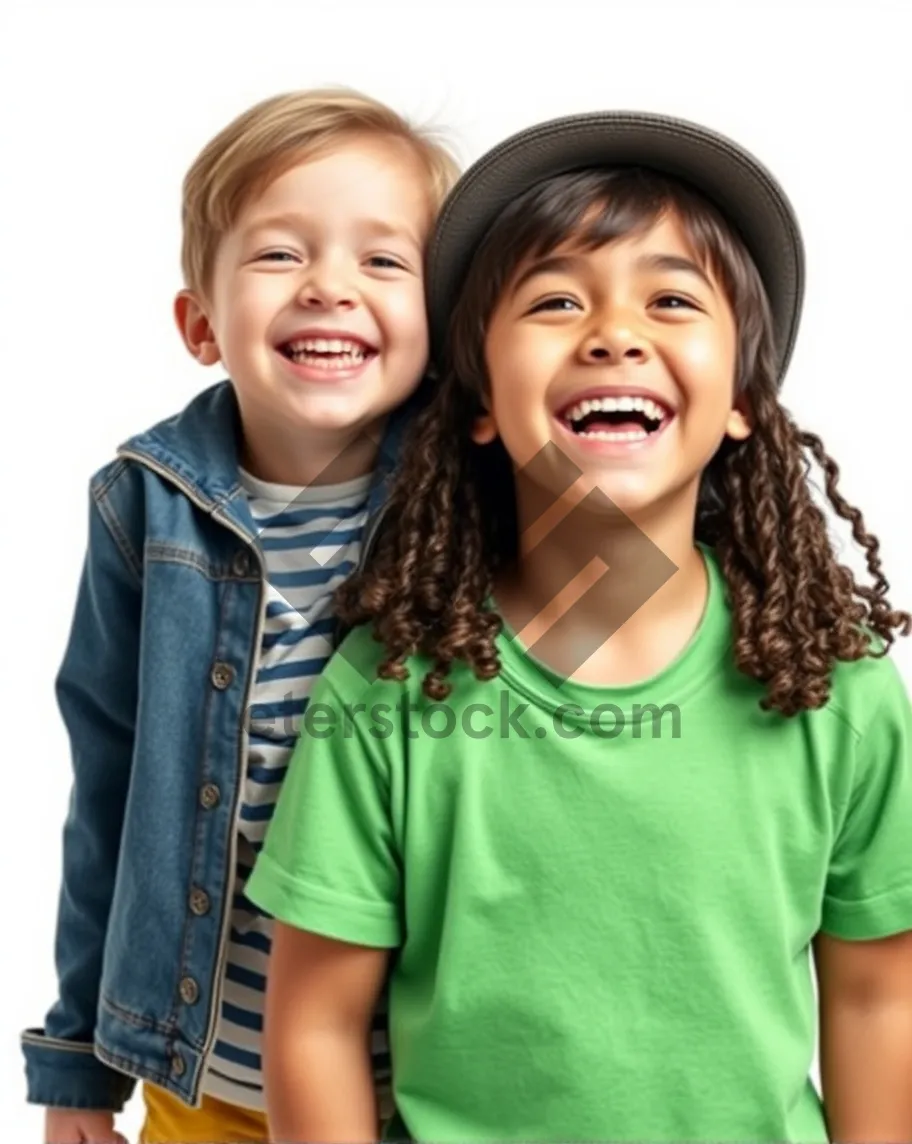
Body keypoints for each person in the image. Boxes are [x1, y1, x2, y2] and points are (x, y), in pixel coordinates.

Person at [246, 110, 912, 1143]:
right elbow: (315, 1027)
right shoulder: (387, 690)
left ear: (741, 397)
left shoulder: (841, 694)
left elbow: (878, 1001)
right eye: (555, 300)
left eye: (672, 298)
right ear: (477, 402)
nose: (613, 331)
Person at [24, 87, 459, 1144]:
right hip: (208, 1066)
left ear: (444, 321)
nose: (328, 288)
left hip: (427, 1079)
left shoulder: (474, 500)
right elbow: (110, 787)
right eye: (279, 255)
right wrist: (78, 1061)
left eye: (382, 261)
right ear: (200, 322)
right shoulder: (145, 506)